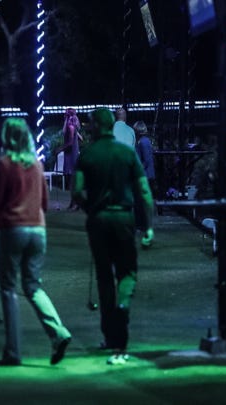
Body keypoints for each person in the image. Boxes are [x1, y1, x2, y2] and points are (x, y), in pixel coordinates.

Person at [0, 117, 71, 366]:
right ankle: (58, 333)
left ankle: (13, 352)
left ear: (8, 138)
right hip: (38, 229)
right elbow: (46, 203)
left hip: (14, 228)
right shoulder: (38, 164)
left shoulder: (5, 163)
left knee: (8, 289)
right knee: (33, 286)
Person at [72, 108, 154, 365]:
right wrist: (149, 226)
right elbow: (144, 190)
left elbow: (76, 192)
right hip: (124, 218)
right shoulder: (127, 153)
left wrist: (90, 210)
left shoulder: (88, 155)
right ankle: (124, 307)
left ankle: (110, 335)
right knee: (127, 273)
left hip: (99, 220)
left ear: (96, 127)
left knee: (104, 277)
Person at [55, 108, 83, 210]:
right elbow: (81, 139)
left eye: (65, 114)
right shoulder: (73, 127)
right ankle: (74, 203)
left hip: (70, 155)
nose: (63, 116)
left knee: (71, 180)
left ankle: (76, 203)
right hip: (72, 154)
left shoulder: (70, 126)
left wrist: (60, 149)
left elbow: (70, 142)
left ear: (67, 116)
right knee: (72, 180)